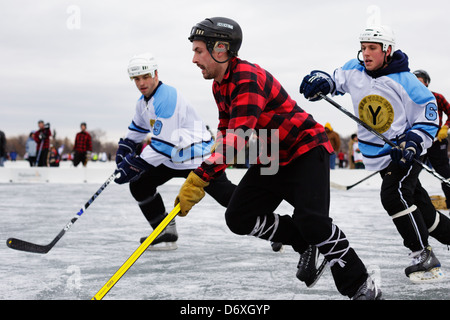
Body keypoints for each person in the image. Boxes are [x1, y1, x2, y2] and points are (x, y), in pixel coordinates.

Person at [178, 17, 380, 299]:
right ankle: (301, 241)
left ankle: (360, 284)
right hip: (272, 153)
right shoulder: (220, 85)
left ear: (220, 49)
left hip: (305, 149)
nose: (194, 59)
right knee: (238, 217)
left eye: (198, 51)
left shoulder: (247, 77)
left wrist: (202, 174)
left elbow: (238, 137)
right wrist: (211, 163)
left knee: (314, 222)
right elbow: (226, 131)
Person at [300, 25, 450, 282]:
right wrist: (321, 81)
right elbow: (335, 80)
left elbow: (428, 117)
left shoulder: (406, 81)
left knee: (394, 195)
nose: (366, 53)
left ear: (387, 50)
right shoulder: (354, 69)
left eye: (372, 48)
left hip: (402, 151)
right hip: (379, 155)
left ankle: (422, 255)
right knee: (421, 207)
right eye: (363, 48)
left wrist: (412, 141)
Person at [114, 52, 236, 250]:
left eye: (145, 77)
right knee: (140, 184)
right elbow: (136, 130)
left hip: (196, 158)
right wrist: (124, 149)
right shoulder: (142, 102)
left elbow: (164, 144)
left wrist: (135, 164)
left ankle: (267, 221)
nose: (141, 83)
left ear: (155, 74)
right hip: (171, 159)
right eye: (136, 79)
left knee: (226, 198)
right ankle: (165, 230)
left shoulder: (167, 97)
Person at [414, 70, 450, 209]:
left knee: (445, 174)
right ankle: (417, 203)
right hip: (419, 144)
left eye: (420, 81)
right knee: (412, 175)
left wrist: (445, 128)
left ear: (426, 83)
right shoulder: (410, 100)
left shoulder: (437, 98)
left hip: (437, 143)